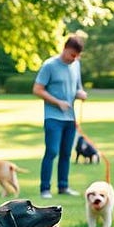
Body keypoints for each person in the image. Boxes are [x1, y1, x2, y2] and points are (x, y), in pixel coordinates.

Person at [33, 33, 88, 198]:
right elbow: (37, 89)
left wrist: (80, 93)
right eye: (72, 54)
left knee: (66, 153)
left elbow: (77, 87)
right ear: (65, 49)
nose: (74, 58)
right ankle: (45, 188)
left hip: (70, 118)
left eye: (77, 55)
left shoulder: (76, 65)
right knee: (52, 151)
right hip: (53, 117)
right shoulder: (49, 65)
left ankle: (63, 186)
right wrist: (58, 102)